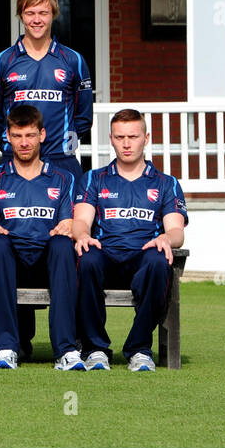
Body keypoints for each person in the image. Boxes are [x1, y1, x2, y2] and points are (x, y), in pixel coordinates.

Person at [73, 109, 187, 372]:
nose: (126, 143)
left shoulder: (166, 183)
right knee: (86, 258)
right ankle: (95, 349)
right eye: (120, 137)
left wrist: (165, 238)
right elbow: (81, 221)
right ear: (111, 139)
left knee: (161, 261)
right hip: (106, 257)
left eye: (133, 136)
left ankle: (139, 349)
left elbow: (177, 231)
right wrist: (81, 235)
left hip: (143, 260)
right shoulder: (93, 178)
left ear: (146, 138)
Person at [0, 105, 81, 370]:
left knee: (62, 244)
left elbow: (68, 221)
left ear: (42, 135)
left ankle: (66, 350)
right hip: (9, 262)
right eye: (17, 136)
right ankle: (4, 348)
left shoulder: (63, 178)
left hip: (47, 262)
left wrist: (66, 227)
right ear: (8, 137)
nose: (24, 143)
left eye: (30, 135)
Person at [0, 0, 92, 183]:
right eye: (30, 13)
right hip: (15, 162)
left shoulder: (73, 60)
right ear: (21, 15)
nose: (37, 20)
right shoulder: (2, 61)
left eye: (43, 13)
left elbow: (84, 116)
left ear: (53, 14)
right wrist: (13, 147)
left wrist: (64, 147)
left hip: (62, 161)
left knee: (69, 216)